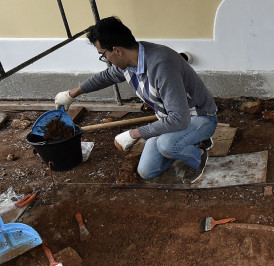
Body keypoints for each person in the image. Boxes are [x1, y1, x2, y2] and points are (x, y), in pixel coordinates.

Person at [54, 16, 217, 183]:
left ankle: (199, 155)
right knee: (147, 171)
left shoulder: (162, 66)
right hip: (172, 120)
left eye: (103, 55)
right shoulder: (132, 61)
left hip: (198, 116)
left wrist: (133, 134)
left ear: (117, 50)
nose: (106, 60)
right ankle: (191, 140)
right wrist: (71, 94)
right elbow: (106, 76)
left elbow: (179, 120)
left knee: (167, 146)